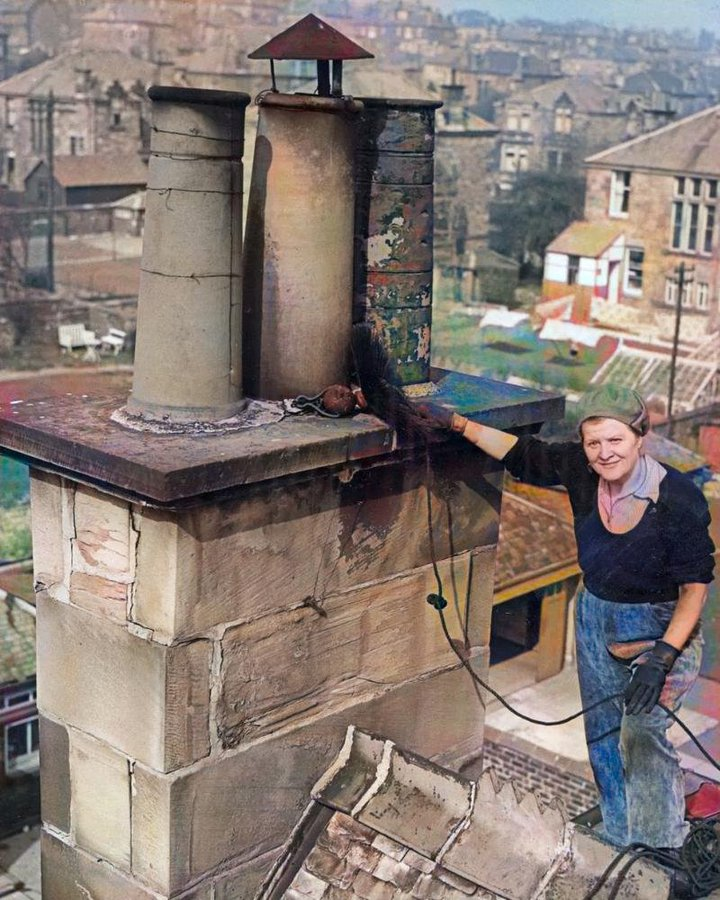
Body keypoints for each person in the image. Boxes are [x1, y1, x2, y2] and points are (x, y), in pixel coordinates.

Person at [420, 384, 715, 851]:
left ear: (641, 437)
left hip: (661, 627)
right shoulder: (581, 470)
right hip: (596, 614)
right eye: (593, 442)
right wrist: (456, 423)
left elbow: (694, 591)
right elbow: (522, 454)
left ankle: (662, 847)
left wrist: (662, 656)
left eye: (615, 440)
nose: (604, 453)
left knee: (642, 731)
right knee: (602, 733)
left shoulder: (676, 499)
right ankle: (621, 838)